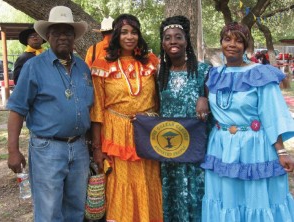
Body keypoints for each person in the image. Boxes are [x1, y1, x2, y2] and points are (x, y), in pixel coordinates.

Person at [6, 6, 93, 221]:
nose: (62, 37)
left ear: (74, 37)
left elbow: (89, 107)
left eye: (67, 32)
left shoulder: (83, 68)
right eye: (56, 33)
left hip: (80, 148)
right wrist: (13, 150)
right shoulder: (33, 66)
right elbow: (17, 109)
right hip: (47, 149)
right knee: (49, 211)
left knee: (75, 209)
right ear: (48, 37)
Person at [201, 22, 294, 222]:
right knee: (227, 198)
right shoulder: (213, 75)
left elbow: (272, 113)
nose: (232, 44)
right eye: (227, 39)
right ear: (221, 43)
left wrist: (281, 151)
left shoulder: (259, 73)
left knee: (255, 199)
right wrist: (202, 99)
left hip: (254, 147)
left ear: (246, 46)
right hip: (221, 148)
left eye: (238, 40)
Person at [90, 14, 163, 222]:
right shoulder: (102, 64)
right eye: (124, 32)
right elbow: (96, 109)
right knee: (120, 183)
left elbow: (159, 98)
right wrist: (97, 148)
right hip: (116, 135)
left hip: (147, 132)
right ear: (115, 35)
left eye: (134, 32)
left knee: (148, 181)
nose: (129, 37)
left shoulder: (151, 62)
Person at [158, 15, 211, 222]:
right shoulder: (160, 73)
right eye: (168, 38)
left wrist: (204, 97)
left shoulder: (203, 71)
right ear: (162, 43)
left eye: (178, 37)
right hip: (169, 147)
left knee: (196, 193)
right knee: (172, 194)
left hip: (196, 147)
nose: (173, 42)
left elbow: (217, 104)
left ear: (186, 41)